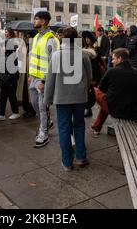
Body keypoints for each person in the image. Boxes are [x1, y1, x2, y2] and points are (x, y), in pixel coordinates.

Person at [44, 27, 92, 171]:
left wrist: (47, 98)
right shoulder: (83, 55)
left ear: (62, 38)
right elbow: (90, 78)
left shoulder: (56, 55)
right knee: (79, 126)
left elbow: (50, 79)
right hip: (79, 98)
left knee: (64, 129)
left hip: (62, 98)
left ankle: (66, 162)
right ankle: (81, 157)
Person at [28, 11, 60, 148]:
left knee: (42, 108)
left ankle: (44, 134)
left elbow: (55, 62)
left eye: (37, 19)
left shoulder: (51, 39)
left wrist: (45, 81)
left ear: (44, 21)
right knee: (34, 104)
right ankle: (47, 123)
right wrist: (30, 75)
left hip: (43, 80)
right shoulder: (36, 37)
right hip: (34, 77)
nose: (34, 21)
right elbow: (33, 57)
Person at [99, 48, 137, 121]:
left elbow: (101, 89)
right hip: (135, 112)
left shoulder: (111, 71)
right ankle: (96, 126)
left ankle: (96, 125)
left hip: (117, 111)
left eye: (113, 59)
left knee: (95, 91)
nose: (112, 62)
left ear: (120, 59)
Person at [0, 29, 20, 122]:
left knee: (12, 97)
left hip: (10, 81)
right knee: (2, 98)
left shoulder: (13, 57)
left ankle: (16, 112)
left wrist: (5, 80)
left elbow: (13, 71)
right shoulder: (3, 55)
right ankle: (1, 114)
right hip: (3, 80)